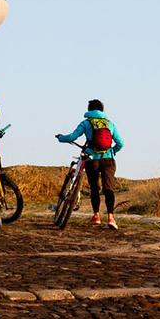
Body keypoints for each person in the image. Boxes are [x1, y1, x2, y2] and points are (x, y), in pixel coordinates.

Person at [56, 99, 124, 230]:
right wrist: (112, 152)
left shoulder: (86, 123)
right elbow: (121, 143)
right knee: (108, 188)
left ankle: (96, 216)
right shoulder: (110, 124)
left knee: (94, 188)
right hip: (108, 159)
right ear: (102, 110)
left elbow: (72, 137)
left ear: (89, 109)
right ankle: (111, 217)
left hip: (92, 159)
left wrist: (61, 138)